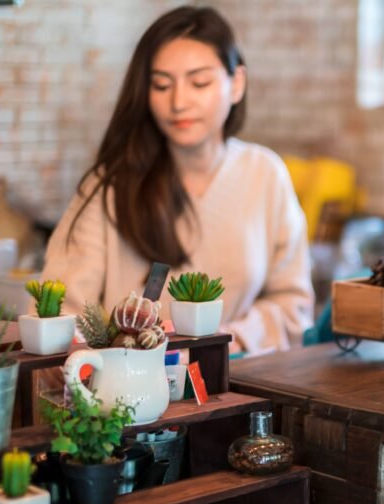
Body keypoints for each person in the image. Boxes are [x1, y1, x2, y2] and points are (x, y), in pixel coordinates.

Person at [42, 6, 313, 355]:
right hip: (129, 399)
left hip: (236, 389)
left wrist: (229, 339)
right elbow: (61, 310)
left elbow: (293, 304)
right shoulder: (109, 187)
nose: (179, 102)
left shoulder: (265, 173)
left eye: (199, 82)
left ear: (237, 84)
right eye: (161, 85)